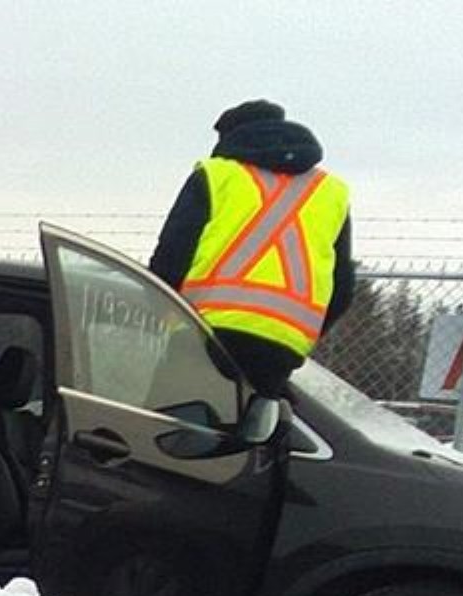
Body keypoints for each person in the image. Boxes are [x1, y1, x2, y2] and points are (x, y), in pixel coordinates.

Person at [145, 100, 357, 395]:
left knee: (169, 430)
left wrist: (163, 317)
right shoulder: (330, 192)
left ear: (231, 137)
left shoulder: (216, 174)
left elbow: (170, 260)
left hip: (201, 332)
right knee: (249, 436)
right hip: (281, 346)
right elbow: (343, 288)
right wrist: (295, 334)